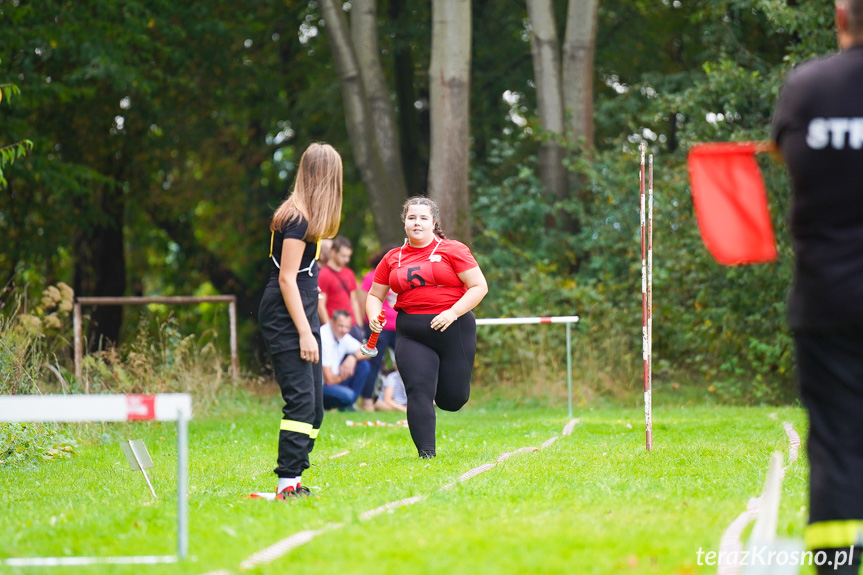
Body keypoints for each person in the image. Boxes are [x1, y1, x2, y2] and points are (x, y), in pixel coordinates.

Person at [771, 2, 863, 571]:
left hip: (828, 297)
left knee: (835, 442)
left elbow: (788, 157)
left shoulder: (809, 87)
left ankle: (836, 565)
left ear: (840, 17)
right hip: (826, 299)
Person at [365, 196, 488, 458]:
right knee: (418, 390)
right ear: (404, 223)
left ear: (433, 223)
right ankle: (427, 455)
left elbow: (479, 286)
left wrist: (452, 312)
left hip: (453, 328)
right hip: (412, 332)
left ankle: (447, 397)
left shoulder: (453, 250)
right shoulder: (392, 258)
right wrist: (374, 316)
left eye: (423, 218)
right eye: (412, 218)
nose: (417, 223)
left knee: (452, 400)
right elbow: (375, 295)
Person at [258, 143, 342, 500]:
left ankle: (295, 478)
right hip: (285, 318)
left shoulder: (309, 218)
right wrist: (306, 333)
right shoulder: (297, 218)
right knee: (301, 402)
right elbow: (286, 278)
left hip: (303, 311)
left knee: (316, 408)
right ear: (325, 177)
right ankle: (286, 484)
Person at [358, 244, 400, 406]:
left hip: (399, 327)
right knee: (374, 363)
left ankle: (408, 400)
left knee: (409, 363)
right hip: (378, 327)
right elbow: (364, 302)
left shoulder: (400, 275)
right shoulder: (371, 277)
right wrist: (364, 323)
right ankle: (367, 401)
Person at [321, 309, 373, 411]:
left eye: (347, 327)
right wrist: (343, 374)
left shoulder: (342, 335)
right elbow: (329, 380)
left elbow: (368, 351)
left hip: (335, 380)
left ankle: (346, 404)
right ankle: (331, 404)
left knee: (363, 365)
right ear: (332, 322)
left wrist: (352, 357)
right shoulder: (324, 338)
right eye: (341, 326)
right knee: (348, 395)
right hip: (321, 385)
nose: (344, 330)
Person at [319, 236, 364, 339]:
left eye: (348, 256)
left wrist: (359, 324)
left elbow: (354, 301)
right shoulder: (324, 274)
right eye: (343, 256)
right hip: (335, 327)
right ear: (333, 252)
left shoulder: (349, 273)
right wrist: (328, 329)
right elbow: (321, 305)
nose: (346, 260)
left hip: (351, 325)